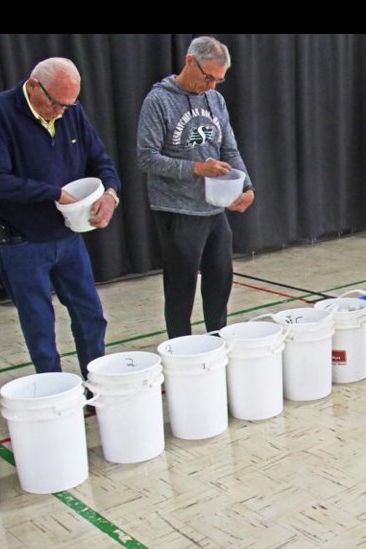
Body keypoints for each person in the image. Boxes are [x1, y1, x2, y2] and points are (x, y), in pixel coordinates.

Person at [0, 57, 120, 379]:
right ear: (33, 86)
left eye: (68, 105)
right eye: (56, 103)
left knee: (90, 314)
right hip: (20, 241)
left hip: (67, 237)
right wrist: (54, 193)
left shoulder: (72, 112)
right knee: (39, 323)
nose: (61, 111)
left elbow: (101, 161)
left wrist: (111, 195)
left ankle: (95, 379)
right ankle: (53, 387)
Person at [137, 36, 254, 339]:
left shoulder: (215, 100)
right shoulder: (158, 101)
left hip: (213, 209)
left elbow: (230, 149)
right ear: (190, 61)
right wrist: (196, 169)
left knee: (220, 279)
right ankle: (180, 350)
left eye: (219, 79)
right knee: (181, 288)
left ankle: (218, 341)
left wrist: (247, 185)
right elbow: (147, 158)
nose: (212, 85)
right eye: (208, 77)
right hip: (176, 208)